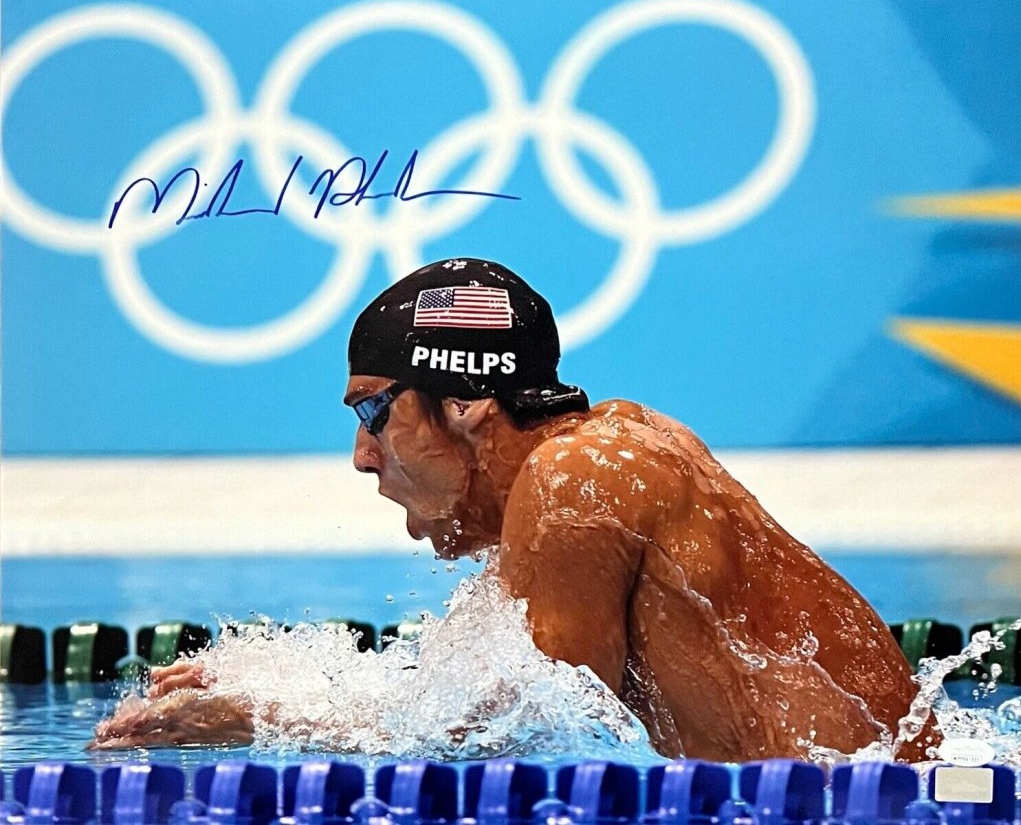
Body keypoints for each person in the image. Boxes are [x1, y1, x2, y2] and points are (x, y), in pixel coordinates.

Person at [92, 258, 938, 761]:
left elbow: (517, 725)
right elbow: (481, 689)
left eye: (372, 411)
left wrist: (262, 717)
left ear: (463, 402)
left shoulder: (576, 481)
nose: (361, 455)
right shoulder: (606, 453)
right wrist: (281, 680)